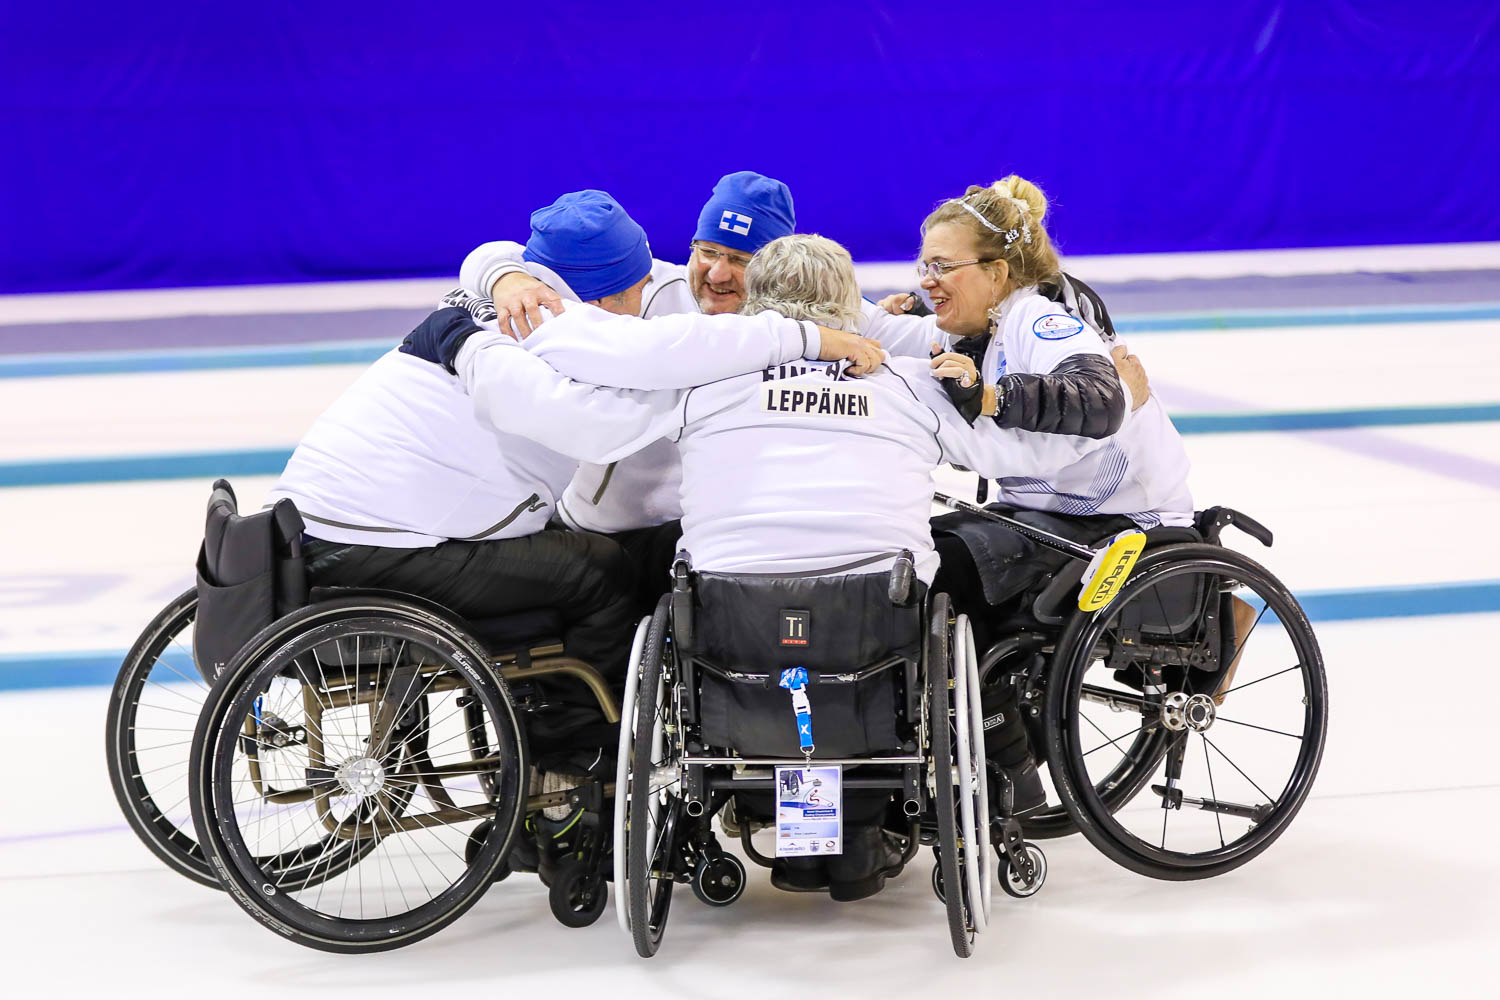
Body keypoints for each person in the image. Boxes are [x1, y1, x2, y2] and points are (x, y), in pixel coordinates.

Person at [402, 233, 1186, 899]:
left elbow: (604, 452)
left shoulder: (701, 381)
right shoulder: (908, 383)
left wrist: (481, 325)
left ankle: (774, 815)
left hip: (732, 648)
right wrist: (1123, 397)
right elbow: (1016, 448)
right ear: (849, 306)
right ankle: (882, 822)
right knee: (936, 586)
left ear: (753, 310)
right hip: (875, 641)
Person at [267, 191, 880, 680]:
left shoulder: (511, 299)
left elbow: (493, 257)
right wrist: (760, 367)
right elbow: (604, 423)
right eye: (637, 289)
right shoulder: (535, 345)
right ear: (600, 296)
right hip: (376, 547)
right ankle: (573, 760)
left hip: (314, 525)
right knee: (598, 575)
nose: (648, 298)